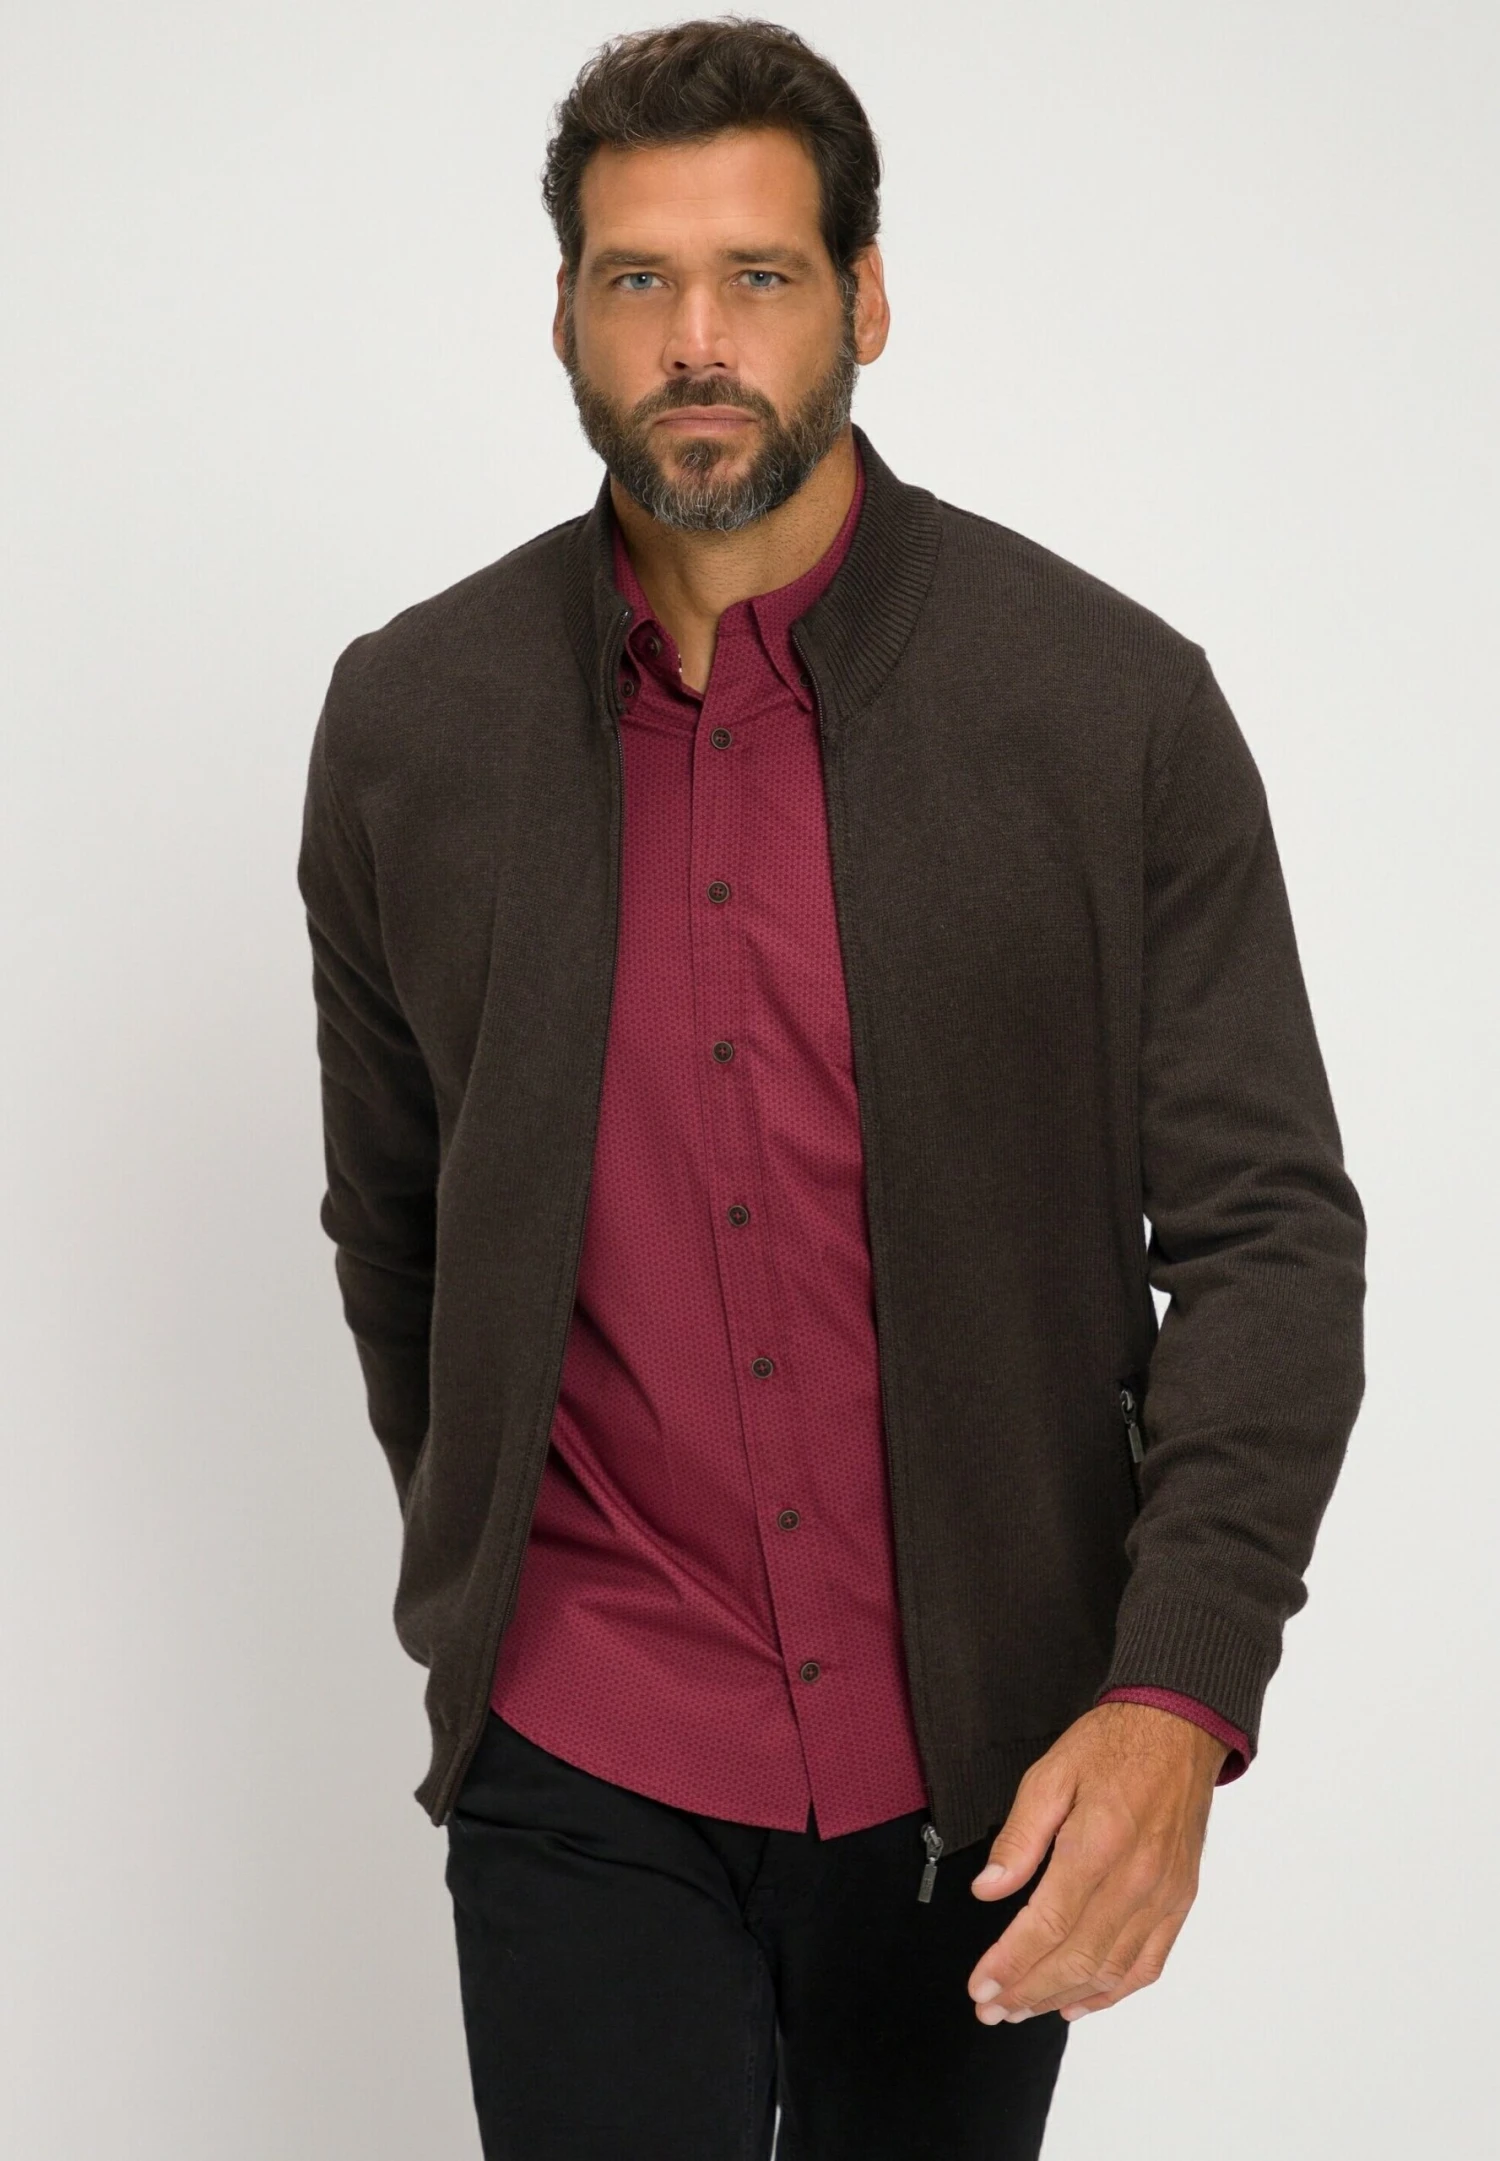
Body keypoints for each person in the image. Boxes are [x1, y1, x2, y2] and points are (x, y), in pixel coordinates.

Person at [296, 19, 1366, 2159]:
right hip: (582, 1733)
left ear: (865, 300)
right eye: (638, 278)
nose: (696, 340)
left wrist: (1176, 1693)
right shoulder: (412, 724)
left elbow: (1269, 1240)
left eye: (760, 276)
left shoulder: (1109, 710)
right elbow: (398, 1218)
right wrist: (479, 1589)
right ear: (565, 314)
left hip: (978, 1762)